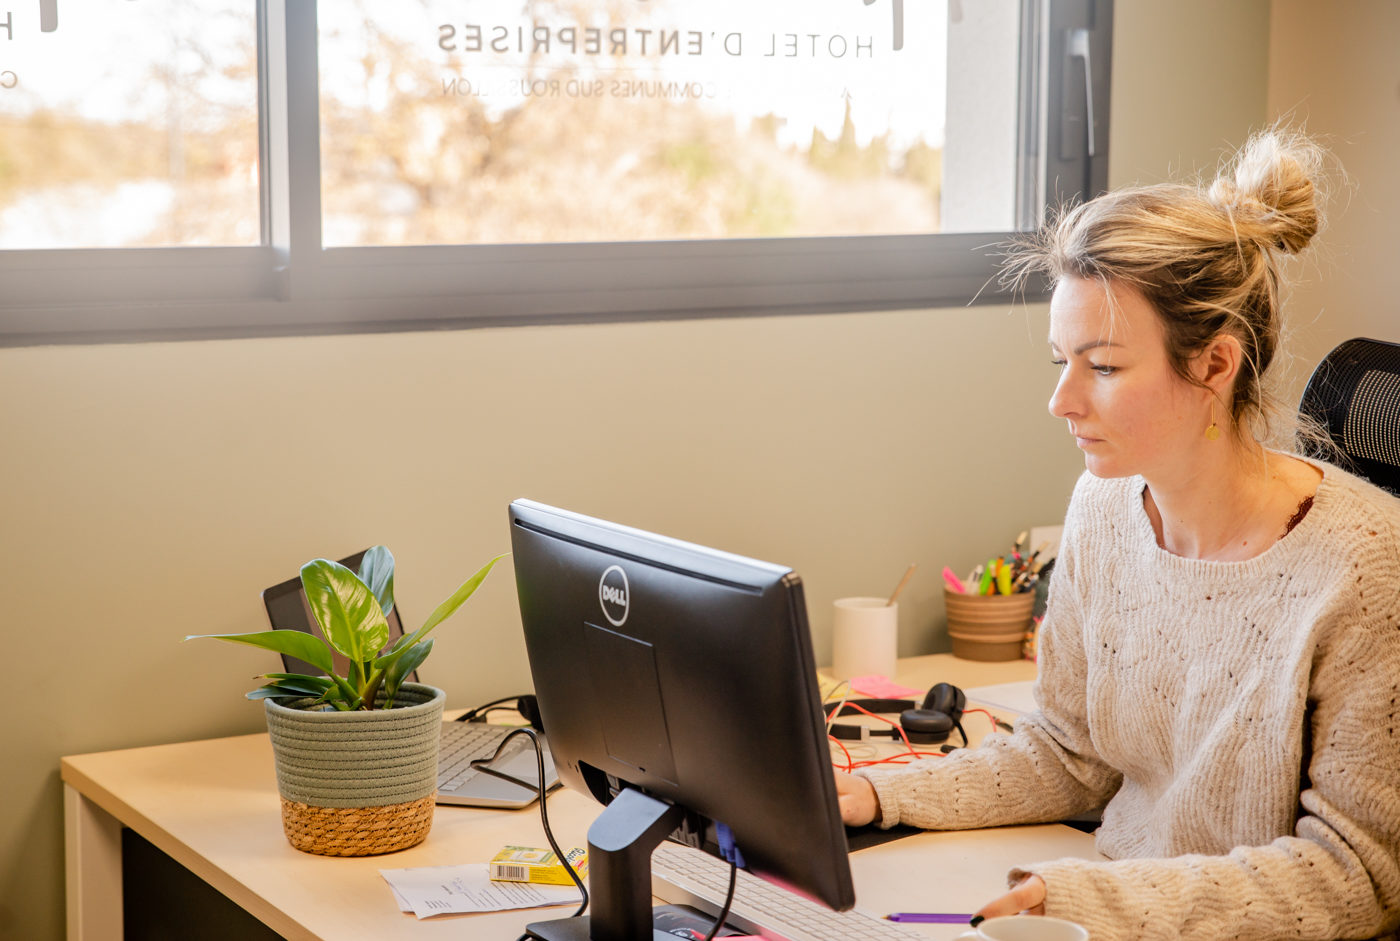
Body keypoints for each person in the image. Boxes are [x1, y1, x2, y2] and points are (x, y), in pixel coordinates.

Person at [835, 127, 1400, 941]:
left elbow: (1357, 874)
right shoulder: (1103, 510)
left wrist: (1095, 902)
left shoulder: (1365, 567)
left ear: (1215, 365)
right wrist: (881, 792)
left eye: (1101, 367)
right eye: (1061, 361)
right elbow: (1070, 753)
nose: (1062, 400)